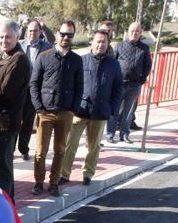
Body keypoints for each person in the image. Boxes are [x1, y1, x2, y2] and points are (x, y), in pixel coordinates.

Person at [29, 20, 83, 197]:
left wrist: (73, 109)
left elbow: (79, 86)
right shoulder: (44, 57)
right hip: (45, 112)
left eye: (70, 35)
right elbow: (34, 83)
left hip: (66, 113)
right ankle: (38, 182)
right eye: (63, 33)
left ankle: (54, 183)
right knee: (40, 151)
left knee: (60, 150)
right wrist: (39, 107)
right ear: (57, 34)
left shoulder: (76, 60)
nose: (65, 37)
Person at [63, 29, 123, 186]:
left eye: (104, 42)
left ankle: (88, 173)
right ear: (92, 42)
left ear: (108, 44)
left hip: (100, 111)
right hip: (80, 109)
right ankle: (64, 173)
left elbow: (118, 89)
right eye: (98, 41)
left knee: (94, 146)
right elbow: (72, 84)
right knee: (71, 143)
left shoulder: (114, 65)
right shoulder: (81, 61)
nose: (100, 44)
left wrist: (112, 109)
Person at [0, 19, 31, 198]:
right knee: (2, 169)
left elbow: (6, 91)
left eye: (8, 37)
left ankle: (4, 210)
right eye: (1, 37)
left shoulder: (18, 59)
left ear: (17, 37)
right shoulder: (3, 55)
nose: (4, 40)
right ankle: (7, 207)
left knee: (1, 172)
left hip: (4, 123)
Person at [107, 22, 152, 144]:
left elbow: (147, 65)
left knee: (129, 111)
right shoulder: (119, 46)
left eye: (137, 31)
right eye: (132, 31)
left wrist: (142, 78)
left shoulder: (144, 48)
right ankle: (110, 134)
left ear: (140, 33)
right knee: (114, 110)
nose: (134, 33)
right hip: (119, 84)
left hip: (135, 85)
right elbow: (112, 63)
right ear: (128, 32)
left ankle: (125, 134)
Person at [18, 18, 54, 162]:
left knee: (27, 121)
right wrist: (22, 26)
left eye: (35, 31)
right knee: (15, 119)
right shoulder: (20, 44)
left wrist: (45, 26)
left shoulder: (46, 46)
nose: (32, 33)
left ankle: (23, 149)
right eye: (30, 31)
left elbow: (53, 40)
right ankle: (11, 148)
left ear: (40, 33)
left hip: (34, 90)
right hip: (18, 89)